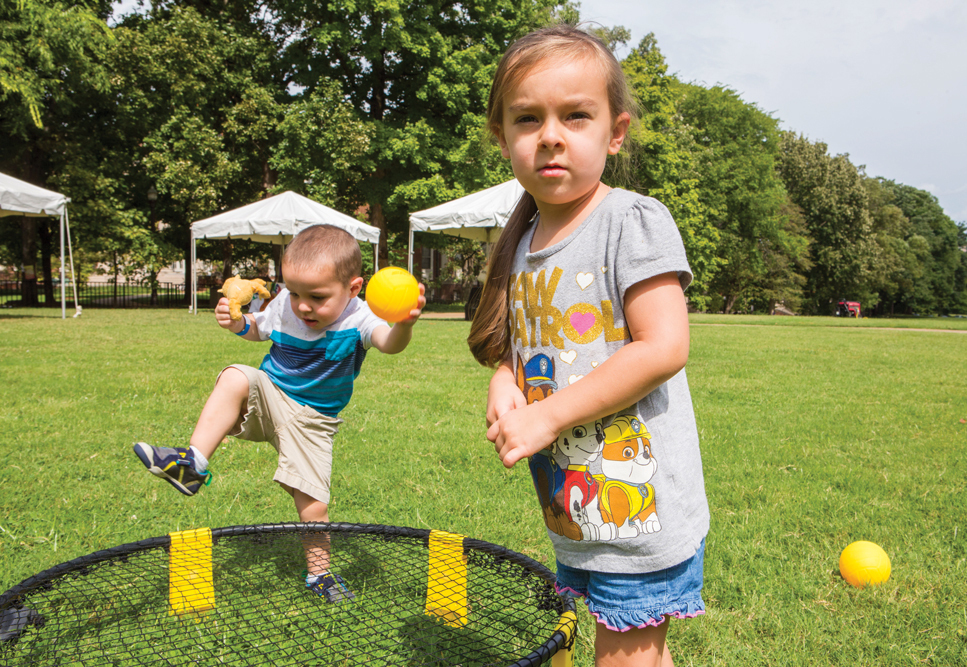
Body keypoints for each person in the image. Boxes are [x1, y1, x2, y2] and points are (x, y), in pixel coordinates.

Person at [467, 25, 709, 667]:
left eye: (576, 115)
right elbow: (523, 345)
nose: (551, 134)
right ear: (503, 138)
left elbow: (663, 346)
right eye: (528, 118)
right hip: (577, 504)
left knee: (625, 655)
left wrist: (546, 414)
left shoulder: (631, 220)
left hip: (638, 506)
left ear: (616, 131)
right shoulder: (522, 240)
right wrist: (506, 381)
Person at [134, 224, 425, 603]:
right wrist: (238, 323)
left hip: (313, 420)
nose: (303, 305)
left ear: (354, 288)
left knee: (313, 504)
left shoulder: (360, 316)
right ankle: (193, 464)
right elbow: (259, 328)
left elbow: (389, 344)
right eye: (295, 292)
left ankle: (319, 576)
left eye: (317, 297)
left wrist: (403, 324)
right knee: (236, 375)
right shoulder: (286, 305)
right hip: (270, 396)